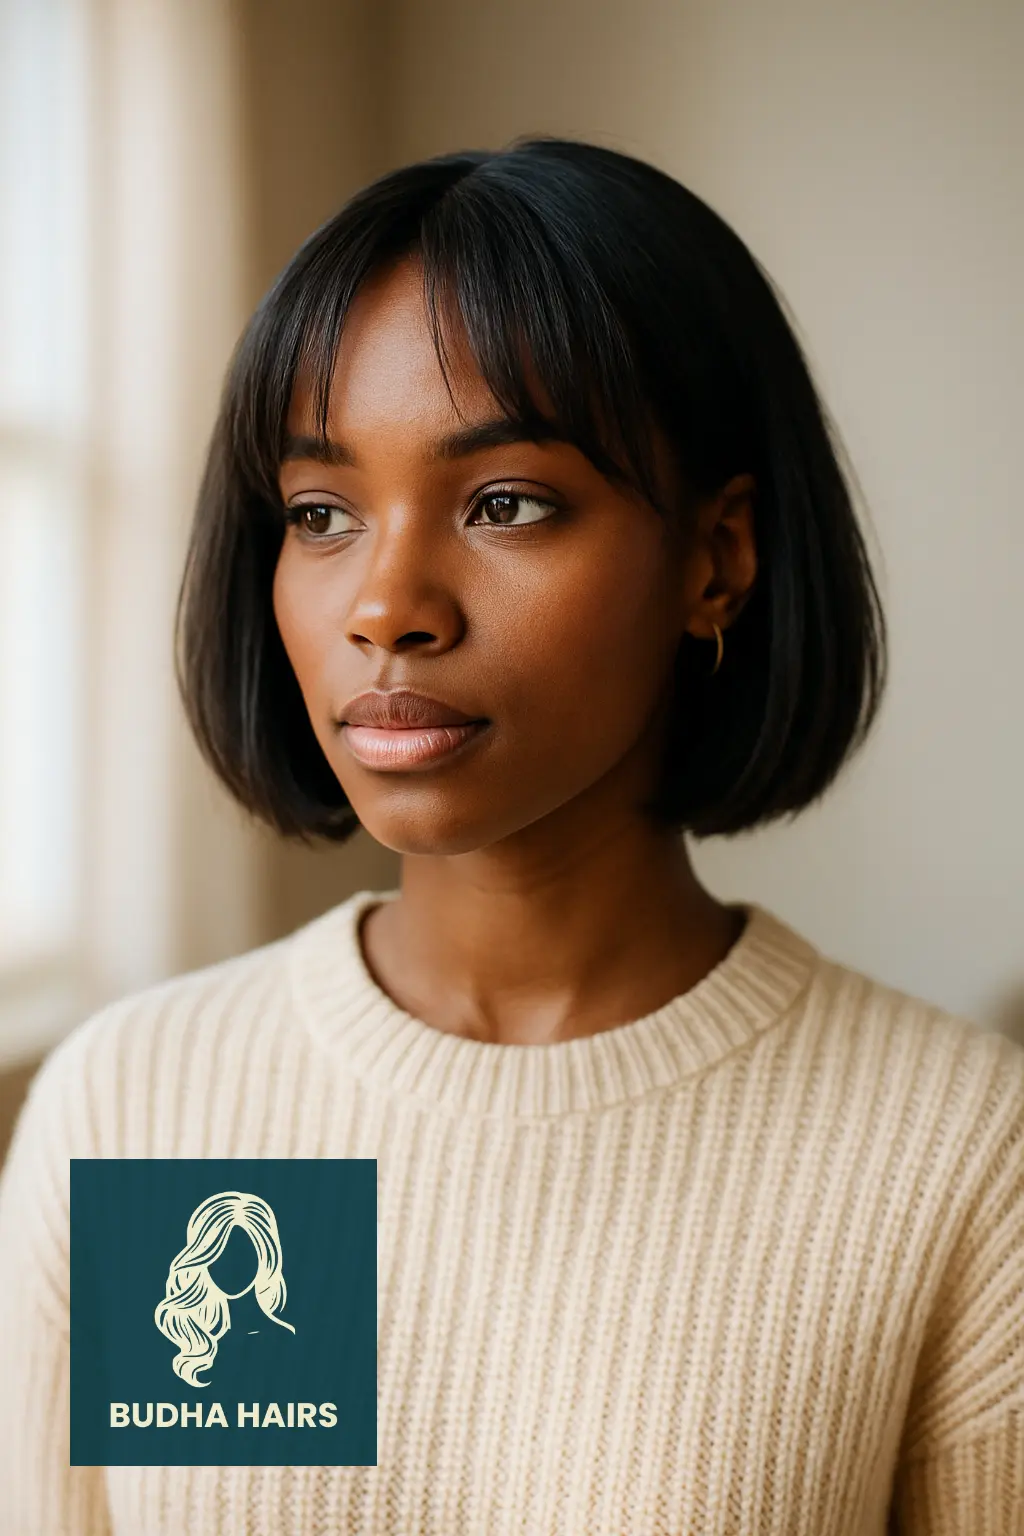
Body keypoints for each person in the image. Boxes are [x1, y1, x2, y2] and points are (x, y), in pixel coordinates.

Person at [0, 137, 1021, 1535]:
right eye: (320, 513)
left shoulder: (959, 1151)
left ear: (716, 559)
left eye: (506, 503)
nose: (387, 603)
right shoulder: (138, 1108)